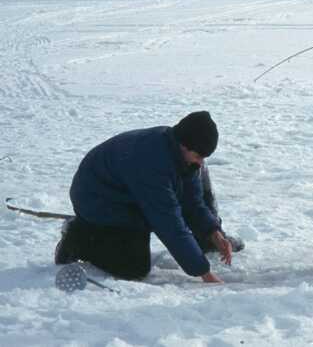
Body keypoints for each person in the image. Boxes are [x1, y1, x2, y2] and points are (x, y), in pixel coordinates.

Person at [54, 111, 239, 282]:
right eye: (199, 156)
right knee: (133, 268)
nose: (201, 163)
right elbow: (168, 222)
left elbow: (193, 203)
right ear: (184, 145)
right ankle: (77, 237)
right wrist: (204, 273)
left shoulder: (182, 155)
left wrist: (214, 233)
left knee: (141, 238)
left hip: (128, 197)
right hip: (97, 200)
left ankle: (98, 235)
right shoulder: (152, 162)